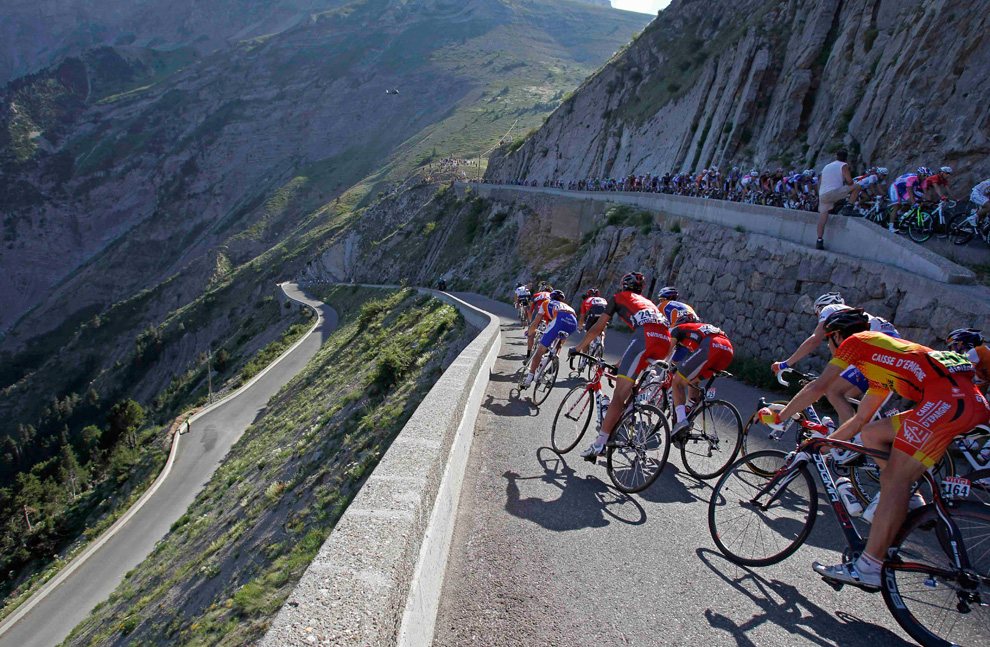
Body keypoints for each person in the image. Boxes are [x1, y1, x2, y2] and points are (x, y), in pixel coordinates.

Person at [760, 308, 989, 589]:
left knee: (895, 480)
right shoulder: (881, 366)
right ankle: (911, 500)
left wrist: (781, 417)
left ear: (837, 336)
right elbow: (859, 420)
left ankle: (869, 566)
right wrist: (824, 446)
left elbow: (820, 386)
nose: (832, 349)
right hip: (966, 402)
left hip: (947, 401)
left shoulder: (858, 341)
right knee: (873, 434)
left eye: (830, 341)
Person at [569, 272, 671, 460]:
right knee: (631, 385)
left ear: (623, 286)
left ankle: (599, 445)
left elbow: (597, 329)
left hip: (644, 339)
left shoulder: (617, 298)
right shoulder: (647, 303)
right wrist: (619, 363)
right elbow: (638, 342)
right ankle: (630, 412)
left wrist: (578, 347)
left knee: (618, 397)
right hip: (665, 341)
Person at [772, 292, 900, 425]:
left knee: (833, 391)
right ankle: (846, 437)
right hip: (892, 354)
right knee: (843, 395)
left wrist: (785, 364)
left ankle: (846, 439)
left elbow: (814, 340)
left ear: (820, 308)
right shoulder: (853, 321)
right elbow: (840, 363)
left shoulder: (830, 310)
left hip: (878, 354)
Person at [668, 315, 734, 446]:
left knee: (677, 382)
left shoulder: (678, 329)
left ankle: (681, 420)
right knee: (690, 379)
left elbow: (668, 351)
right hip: (728, 350)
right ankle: (690, 407)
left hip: (712, 345)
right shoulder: (701, 329)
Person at [520, 290, 578, 389]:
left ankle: (529, 379)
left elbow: (535, 322)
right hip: (573, 322)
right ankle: (555, 357)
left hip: (560, 317)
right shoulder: (566, 305)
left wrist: (530, 333)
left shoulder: (546, 302)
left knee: (541, 350)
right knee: (559, 342)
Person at [817, 149, 862, 250]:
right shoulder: (843, 165)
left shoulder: (827, 166)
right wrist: (849, 184)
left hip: (823, 194)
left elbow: (819, 182)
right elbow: (850, 181)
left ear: (836, 156)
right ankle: (849, 208)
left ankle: (819, 240)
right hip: (834, 193)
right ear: (846, 158)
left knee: (823, 218)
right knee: (857, 186)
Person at [888, 167, 930, 233]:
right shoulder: (911, 178)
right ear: (919, 174)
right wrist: (914, 202)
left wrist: (929, 201)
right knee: (896, 206)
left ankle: (900, 216)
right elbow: (910, 192)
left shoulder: (924, 181)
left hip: (903, 189)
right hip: (895, 187)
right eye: (924, 175)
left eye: (927, 176)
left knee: (914, 203)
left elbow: (926, 193)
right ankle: (891, 226)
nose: (925, 177)